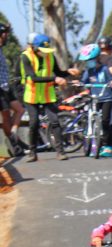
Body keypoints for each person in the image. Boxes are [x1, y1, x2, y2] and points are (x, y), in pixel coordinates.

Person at [19, 34, 79, 162]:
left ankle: (60, 152)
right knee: (34, 123)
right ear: (34, 48)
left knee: (55, 121)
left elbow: (58, 72)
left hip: (47, 94)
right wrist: (54, 79)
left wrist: (68, 71)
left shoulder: (50, 56)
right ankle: (32, 152)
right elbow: (33, 77)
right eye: (42, 51)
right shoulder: (25, 57)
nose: (44, 53)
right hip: (32, 95)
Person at [78, 43, 112, 157]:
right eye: (87, 60)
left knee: (106, 120)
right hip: (94, 98)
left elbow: (111, 80)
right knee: (91, 117)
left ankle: (108, 145)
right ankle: (91, 140)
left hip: (106, 98)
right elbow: (84, 81)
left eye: (90, 59)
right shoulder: (88, 71)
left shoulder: (104, 69)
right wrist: (80, 83)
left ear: (97, 58)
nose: (89, 62)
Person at [0, 23, 25, 155]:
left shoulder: (1, 48)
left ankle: (14, 135)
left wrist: (8, 27)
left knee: (20, 110)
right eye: (5, 34)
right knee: (6, 117)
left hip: (6, 86)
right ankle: (12, 143)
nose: (6, 37)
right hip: (0, 88)